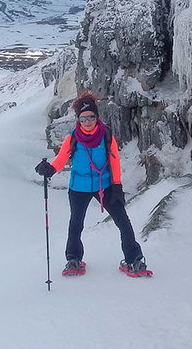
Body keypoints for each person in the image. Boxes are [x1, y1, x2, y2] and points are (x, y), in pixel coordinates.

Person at [35, 92, 151, 278]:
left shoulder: (106, 135)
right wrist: (49, 169)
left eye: (91, 117)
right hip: (78, 187)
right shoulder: (72, 138)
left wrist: (116, 186)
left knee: (123, 221)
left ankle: (135, 259)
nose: (87, 121)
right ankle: (73, 259)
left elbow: (114, 163)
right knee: (76, 224)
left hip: (104, 185)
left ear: (97, 117)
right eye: (83, 118)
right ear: (78, 120)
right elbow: (61, 159)